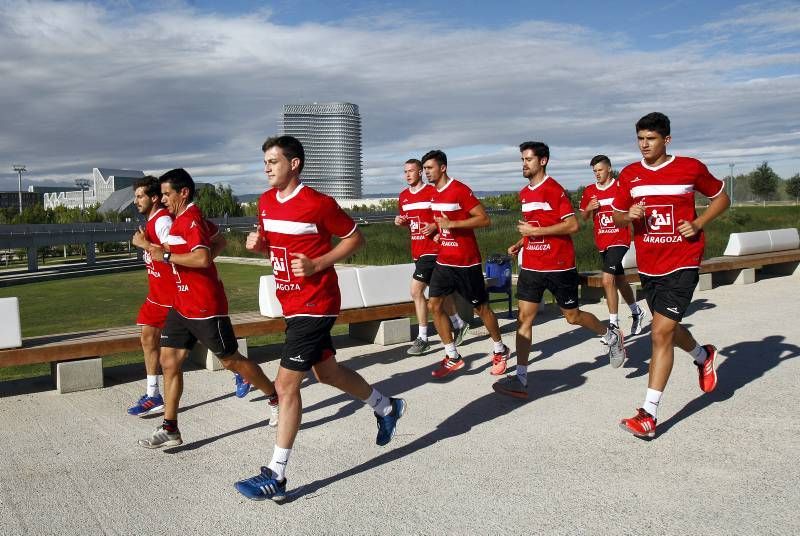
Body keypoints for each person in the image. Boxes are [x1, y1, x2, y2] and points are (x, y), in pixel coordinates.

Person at [235, 136, 405, 502]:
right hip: (291, 303)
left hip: (317, 302)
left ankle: (276, 475)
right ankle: (387, 406)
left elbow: (354, 239)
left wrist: (318, 264)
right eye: (264, 162)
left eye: (273, 161)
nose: (266, 168)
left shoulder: (318, 203)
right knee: (326, 373)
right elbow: (278, 247)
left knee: (285, 387)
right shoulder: (264, 202)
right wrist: (261, 247)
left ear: (294, 164)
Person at [135, 169, 279, 448]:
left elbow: (201, 258)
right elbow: (219, 241)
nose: (163, 200)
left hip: (205, 307)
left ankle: (275, 397)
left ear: (183, 192)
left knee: (231, 361)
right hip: (181, 305)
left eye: (167, 194)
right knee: (169, 361)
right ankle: (170, 428)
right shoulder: (185, 219)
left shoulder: (190, 220)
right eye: (162, 195)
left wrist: (163, 254)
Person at [612, 112, 730, 438]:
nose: (644, 145)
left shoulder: (690, 167)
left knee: (660, 333)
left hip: (683, 261)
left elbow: (721, 197)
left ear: (667, 140)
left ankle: (648, 414)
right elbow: (618, 215)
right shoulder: (630, 175)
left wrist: (699, 223)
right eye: (640, 139)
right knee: (669, 329)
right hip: (649, 266)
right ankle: (702, 355)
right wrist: (628, 215)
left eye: (650, 139)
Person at [493, 142, 625, 399]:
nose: (524, 164)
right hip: (531, 265)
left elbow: (573, 225)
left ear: (542, 161)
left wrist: (535, 232)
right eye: (522, 159)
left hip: (559, 265)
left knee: (572, 317)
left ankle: (610, 335)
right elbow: (535, 225)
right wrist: (522, 241)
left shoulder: (554, 190)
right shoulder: (524, 193)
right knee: (524, 319)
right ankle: (521, 378)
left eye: (528, 159)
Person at [421, 150, 510, 379]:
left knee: (482, 309)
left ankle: (500, 349)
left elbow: (484, 219)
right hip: (444, 260)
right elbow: (440, 222)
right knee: (435, 305)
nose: (426, 172)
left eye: (430, 168)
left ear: (443, 168)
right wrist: (436, 231)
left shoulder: (459, 189)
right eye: (424, 169)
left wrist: (453, 223)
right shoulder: (433, 194)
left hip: (466, 262)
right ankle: (453, 356)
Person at [395, 158, 468, 355]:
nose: (407, 175)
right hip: (417, 251)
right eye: (405, 171)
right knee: (438, 293)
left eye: (411, 171)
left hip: (434, 249)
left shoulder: (432, 193)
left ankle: (423, 337)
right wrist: (401, 221)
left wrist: (435, 226)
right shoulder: (403, 197)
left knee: (416, 291)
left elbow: (445, 217)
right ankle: (459, 323)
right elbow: (410, 223)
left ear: (420, 172)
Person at [579, 155, 648, 344]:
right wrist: (590, 208)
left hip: (620, 239)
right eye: (594, 171)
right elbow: (583, 218)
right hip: (602, 241)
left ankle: (614, 325)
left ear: (609, 169)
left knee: (607, 279)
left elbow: (633, 210)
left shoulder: (621, 187)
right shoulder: (590, 191)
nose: (597, 174)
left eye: (600, 170)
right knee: (619, 280)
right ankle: (637, 311)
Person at [127, 176, 172, 417]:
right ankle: (153, 395)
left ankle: (239, 368)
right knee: (147, 338)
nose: (136, 201)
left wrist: (145, 244)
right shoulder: (152, 220)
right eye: (135, 197)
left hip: (172, 297)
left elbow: (173, 252)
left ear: (154, 197)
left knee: (206, 340)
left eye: (140, 196)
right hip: (156, 297)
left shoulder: (163, 221)